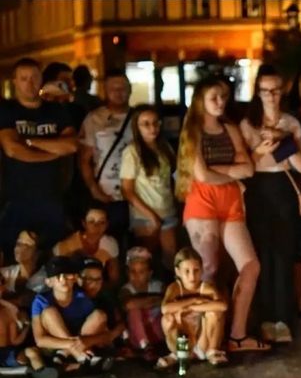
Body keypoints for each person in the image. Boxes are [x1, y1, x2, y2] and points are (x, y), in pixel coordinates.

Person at [176, 76, 266, 353]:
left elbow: (248, 169)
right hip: (202, 201)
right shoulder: (192, 131)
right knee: (208, 270)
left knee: (250, 266)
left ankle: (236, 335)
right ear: (201, 100)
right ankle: (203, 339)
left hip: (229, 201)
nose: (220, 102)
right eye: (214, 96)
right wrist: (230, 171)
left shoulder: (230, 128)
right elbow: (201, 174)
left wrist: (220, 171)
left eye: (223, 97)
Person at [240, 65, 301, 344]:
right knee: (263, 256)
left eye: (276, 90)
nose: (271, 96)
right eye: (265, 90)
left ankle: (283, 319)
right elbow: (245, 168)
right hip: (259, 190)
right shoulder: (248, 124)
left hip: (284, 190)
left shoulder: (291, 123)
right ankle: (266, 318)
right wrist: (259, 150)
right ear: (258, 92)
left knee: (283, 255)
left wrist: (284, 142)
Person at [0, 58, 77, 257]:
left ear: (42, 79)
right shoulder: (7, 111)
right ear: (15, 81)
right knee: (15, 257)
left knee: (53, 257)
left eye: (34, 77)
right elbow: (12, 150)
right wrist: (52, 153)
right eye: (24, 78)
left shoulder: (57, 111)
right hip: (16, 199)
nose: (30, 83)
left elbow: (70, 145)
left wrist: (31, 142)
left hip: (52, 197)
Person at [120, 105, 178, 272]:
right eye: (145, 124)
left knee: (170, 258)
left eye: (155, 123)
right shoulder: (132, 151)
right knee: (146, 259)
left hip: (167, 210)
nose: (152, 128)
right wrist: (150, 215)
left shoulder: (164, 147)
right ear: (136, 127)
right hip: (145, 214)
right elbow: (127, 190)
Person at [78, 69, 133, 239]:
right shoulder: (94, 119)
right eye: (113, 89)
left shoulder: (139, 117)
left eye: (122, 88)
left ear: (130, 89)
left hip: (139, 194)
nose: (118, 93)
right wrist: (94, 189)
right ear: (105, 91)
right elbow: (84, 159)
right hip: (107, 194)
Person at [30, 255, 110, 366]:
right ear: (49, 282)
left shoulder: (82, 298)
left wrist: (87, 341)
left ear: (75, 278)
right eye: (57, 276)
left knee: (99, 315)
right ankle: (80, 356)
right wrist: (72, 343)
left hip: (72, 347)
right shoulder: (41, 301)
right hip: (55, 346)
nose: (63, 280)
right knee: (49, 312)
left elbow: (104, 333)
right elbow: (40, 340)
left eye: (67, 275)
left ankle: (67, 355)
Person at [156, 247, 228, 369]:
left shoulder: (205, 287)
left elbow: (222, 305)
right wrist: (194, 300)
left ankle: (212, 351)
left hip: (202, 342)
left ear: (201, 270)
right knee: (167, 319)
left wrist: (191, 308)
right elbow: (165, 308)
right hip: (185, 341)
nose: (192, 276)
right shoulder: (175, 288)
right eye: (187, 271)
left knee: (214, 313)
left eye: (196, 270)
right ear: (178, 272)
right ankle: (178, 354)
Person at [0, 273, 58, 378]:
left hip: (8, 353)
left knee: (31, 352)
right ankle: (29, 371)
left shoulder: (9, 313)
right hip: (6, 355)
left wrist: (27, 327)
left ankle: (41, 371)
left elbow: (14, 341)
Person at [53, 201, 120, 287]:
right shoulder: (67, 244)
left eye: (102, 222)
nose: (97, 226)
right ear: (84, 223)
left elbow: (114, 277)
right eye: (91, 222)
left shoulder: (110, 244)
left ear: (107, 224)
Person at [119, 246, 165, 359]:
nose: (136, 275)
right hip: (137, 335)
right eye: (132, 271)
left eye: (141, 272)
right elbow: (129, 304)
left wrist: (143, 302)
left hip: (157, 331)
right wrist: (156, 300)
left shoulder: (158, 286)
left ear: (149, 273)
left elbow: (168, 300)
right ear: (127, 272)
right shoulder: (126, 289)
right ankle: (145, 347)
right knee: (134, 311)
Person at [78, 257, 125, 350]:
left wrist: (111, 335)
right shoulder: (75, 298)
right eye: (89, 279)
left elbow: (121, 323)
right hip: (81, 345)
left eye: (98, 279)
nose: (94, 284)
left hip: (106, 343)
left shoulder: (106, 296)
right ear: (79, 279)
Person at [0, 229, 47, 302]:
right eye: (18, 243)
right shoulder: (6, 272)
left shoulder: (43, 278)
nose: (19, 248)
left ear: (37, 253)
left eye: (27, 245)